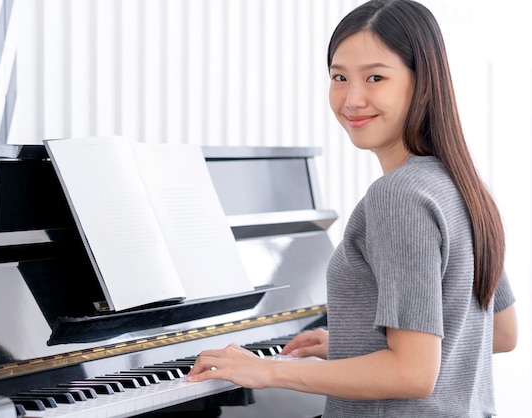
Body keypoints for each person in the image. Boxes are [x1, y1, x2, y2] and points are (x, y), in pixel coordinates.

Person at [186, 0, 518, 416]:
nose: (352, 98)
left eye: (375, 77)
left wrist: (268, 370)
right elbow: (501, 333)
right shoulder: (464, 186)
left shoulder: (398, 197)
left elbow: (412, 373)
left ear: (422, 83)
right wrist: (355, 344)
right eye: (339, 77)